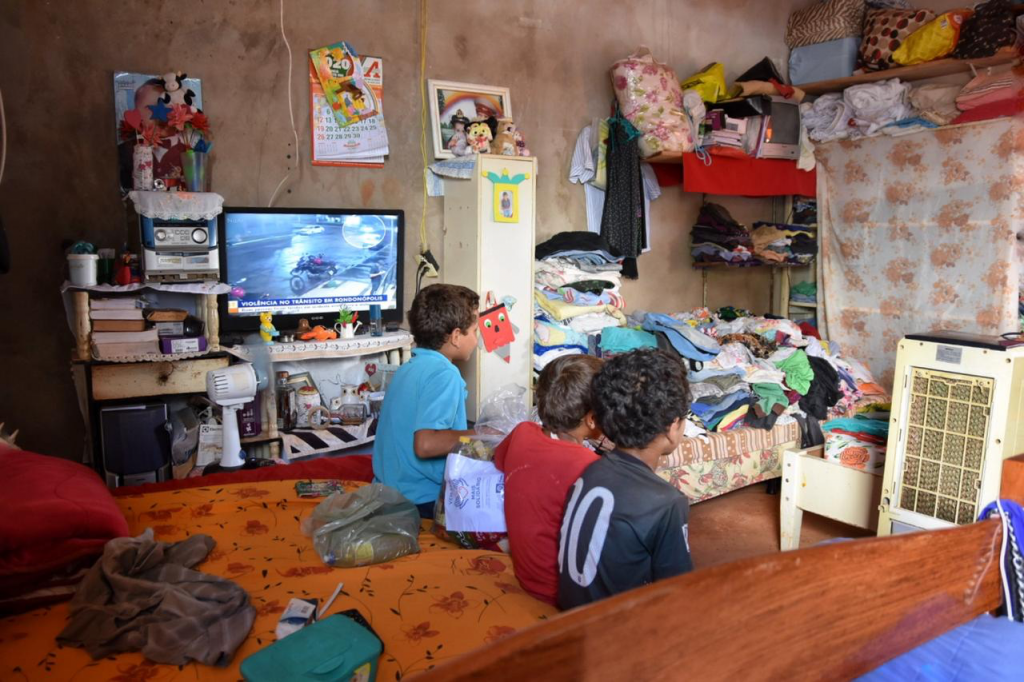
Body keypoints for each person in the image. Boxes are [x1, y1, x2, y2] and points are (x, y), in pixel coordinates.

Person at [557, 348, 693, 610]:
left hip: (572, 618)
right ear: (672, 426)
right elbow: (679, 592)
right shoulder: (667, 503)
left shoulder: (591, 471)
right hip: (616, 630)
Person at [494, 355, 604, 605]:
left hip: (526, 574)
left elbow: (499, 460)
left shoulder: (522, 432)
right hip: (563, 591)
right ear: (592, 418)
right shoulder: (591, 468)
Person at [372, 284, 479, 518]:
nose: (477, 339)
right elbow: (426, 444)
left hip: (387, 492)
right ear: (456, 336)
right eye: (474, 331)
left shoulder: (408, 368)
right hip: (422, 500)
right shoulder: (445, 374)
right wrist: (481, 434)